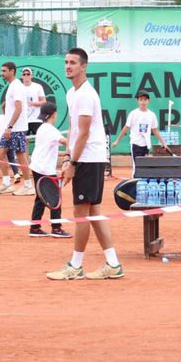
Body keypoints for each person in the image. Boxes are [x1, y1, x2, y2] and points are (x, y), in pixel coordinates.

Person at [46, 48, 123, 280]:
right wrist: (67, 157)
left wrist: (74, 162)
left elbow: (85, 133)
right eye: (66, 62)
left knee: (81, 214)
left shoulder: (87, 95)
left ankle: (75, 266)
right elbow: (73, 129)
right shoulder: (72, 93)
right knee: (93, 212)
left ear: (84, 67)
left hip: (90, 158)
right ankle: (113, 264)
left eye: (73, 63)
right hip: (83, 157)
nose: (68, 66)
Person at [28, 102, 71, 239]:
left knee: (41, 198)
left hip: (37, 166)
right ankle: (56, 228)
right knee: (55, 198)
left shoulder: (42, 128)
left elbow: (47, 148)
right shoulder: (51, 130)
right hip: (44, 169)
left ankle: (35, 228)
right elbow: (65, 142)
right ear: (54, 114)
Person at [111, 90, 169, 175]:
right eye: (141, 99)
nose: (143, 102)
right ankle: (135, 184)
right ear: (137, 101)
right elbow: (126, 127)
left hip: (146, 145)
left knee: (144, 167)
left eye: (145, 100)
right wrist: (117, 141)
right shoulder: (133, 113)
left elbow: (155, 130)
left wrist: (163, 143)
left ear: (148, 101)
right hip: (135, 144)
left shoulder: (152, 115)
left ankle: (142, 186)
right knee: (137, 167)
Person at [0, 62, 33, 196]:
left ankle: (28, 185)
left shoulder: (17, 86)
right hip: (10, 128)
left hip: (16, 128)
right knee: (1, 152)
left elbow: (19, 108)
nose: (2, 74)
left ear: (12, 71)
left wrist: (10, 127)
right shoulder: (12, 86)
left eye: (4, 71)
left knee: (20, 154)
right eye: (1, 71)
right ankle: (6, 183)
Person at [22, 67, 47, 137]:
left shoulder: (38, 87)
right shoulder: (19, 87)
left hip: (36, 119)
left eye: (28, 74)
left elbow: (44, 101)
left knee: (40, 140)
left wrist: (32, 103)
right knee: (24, 143)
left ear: (31, 76)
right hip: (23, 121)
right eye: (24, 74)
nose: (26, 76)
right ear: (22, 76)